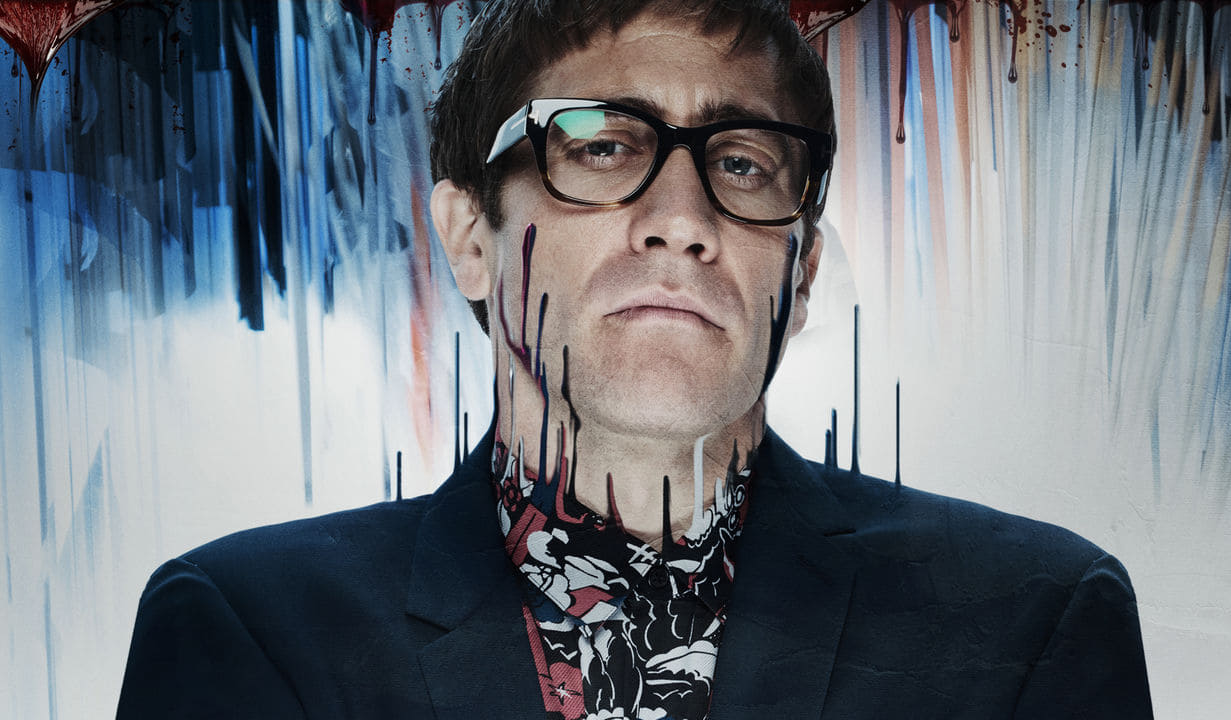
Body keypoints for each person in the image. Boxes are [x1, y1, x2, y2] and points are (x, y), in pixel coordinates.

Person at [116, 1, 1154, 718]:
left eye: (741, 163)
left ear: (799, 275)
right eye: (603, 146)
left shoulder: (1026, 621)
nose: (682, 219)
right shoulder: (253, 631)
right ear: (470, 237)